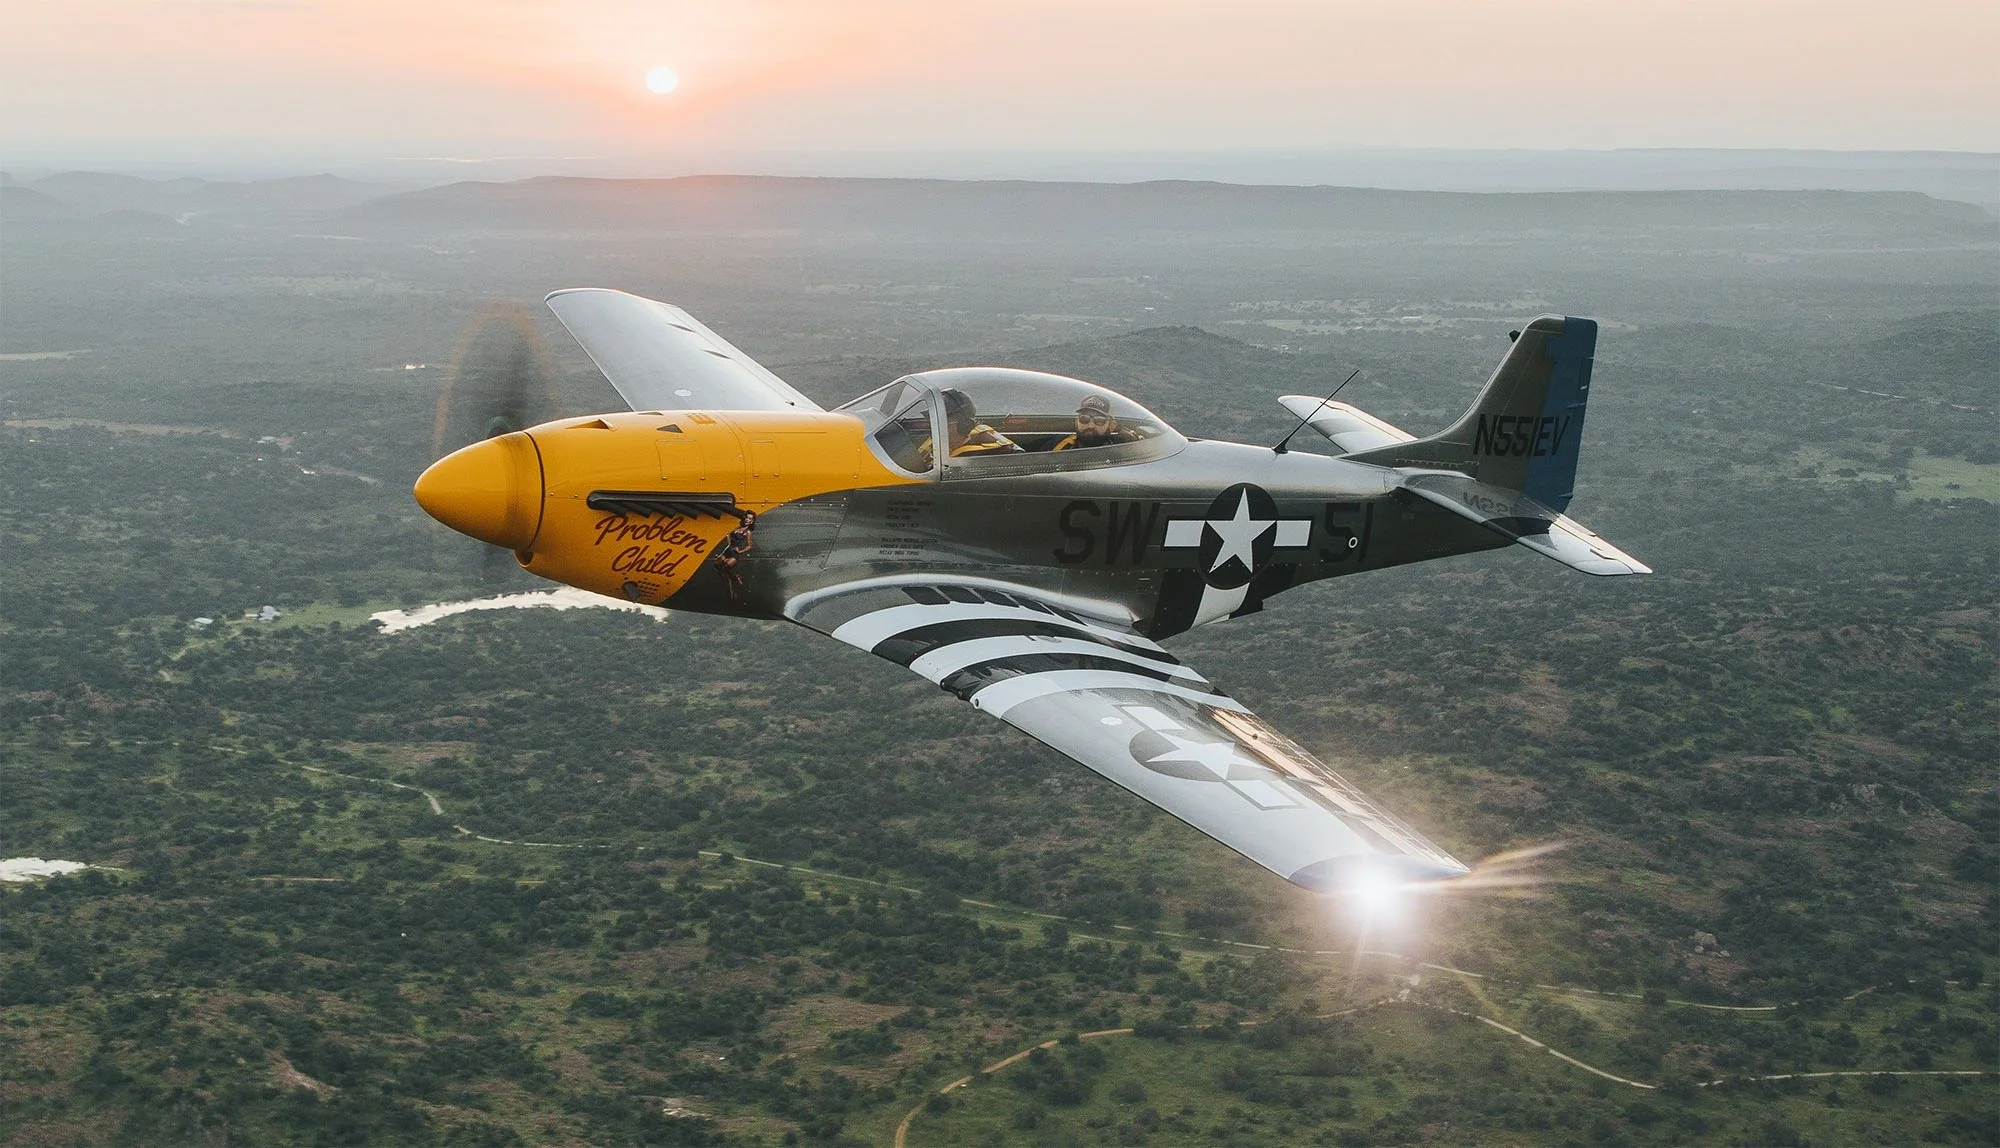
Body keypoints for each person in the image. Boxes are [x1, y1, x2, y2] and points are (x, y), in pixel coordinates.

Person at [923, 388, 1020, 464]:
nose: (935, 429)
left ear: (964, 426)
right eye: (934, 422)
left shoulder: (975, 458)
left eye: (942, 424)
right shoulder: (939, 445)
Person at [1052, 393, 1139, 451]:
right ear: (1076, 422)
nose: (1091, 425)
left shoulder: (1123, 449)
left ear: (1112, 425)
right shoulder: (1060, 445)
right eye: (1084, 418)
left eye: (1099, 420)